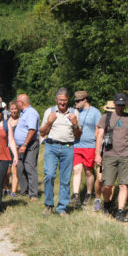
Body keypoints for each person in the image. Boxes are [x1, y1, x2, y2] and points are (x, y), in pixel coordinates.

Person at [95, 93, 128, 222]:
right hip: (109, 155)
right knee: (108, 185)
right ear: (114, 104)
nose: (121, 107)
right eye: (119, 104)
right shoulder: (106, 118)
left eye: (123, 105)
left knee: (123, 184)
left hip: (126, 155)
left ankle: (120, 211)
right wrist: (97, 154)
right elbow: (100, 136)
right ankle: (107, 204)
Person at [40, 87, 81, 217]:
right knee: (49, 175)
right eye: (60, 100)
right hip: (51, 146)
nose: (62, 103)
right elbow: (42, 132)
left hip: (68, 148)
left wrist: (75, 124)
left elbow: (78, 135)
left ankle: (62, 208)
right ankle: (48, 204)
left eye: (64, 100)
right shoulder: (50, 112)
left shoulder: (74, 113)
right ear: (56, 99)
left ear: (68, 100)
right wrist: (49, 122)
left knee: (65, 179)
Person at [69, 91, 101, 207]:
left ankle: (88, 194)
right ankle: (76, 195)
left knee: (88, 172)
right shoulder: (74, 112)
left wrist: (98, 146)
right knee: (76, 170)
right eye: (75, 101)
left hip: (90, 146)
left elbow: (98, 131)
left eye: (78, 101)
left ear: (85, 100)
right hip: (76, 145)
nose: (76, 103)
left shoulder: (95, 112)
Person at [14, 94, 40, 201]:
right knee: (20, 168)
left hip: (29, 145)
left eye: (17, 102)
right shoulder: (24, 113)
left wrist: (25, 144)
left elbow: (32, 130)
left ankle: (33, 194)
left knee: (30, 168)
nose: (16, 104)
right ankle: (24, 190)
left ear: (21, 103)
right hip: (20, 146)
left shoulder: (31, 112)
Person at [94, 101, 115, 212]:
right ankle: (97, 199)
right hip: (103, 152)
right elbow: (96, 135)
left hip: (115, 153)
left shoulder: (120, 120)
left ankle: (108, 203)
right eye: (108, 111)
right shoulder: (101, 120)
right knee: (100, 178)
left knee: (112, 181)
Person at [3, 101, 20, 197]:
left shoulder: (21, 121)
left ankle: (13, 191)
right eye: (12, 109)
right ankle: (6, 188)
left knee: (15, 171)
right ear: (9, 111)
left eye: (15, 108)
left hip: (17, 148)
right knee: (7, 171)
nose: (13, 110)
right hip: (7, 148)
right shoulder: (6, 122)